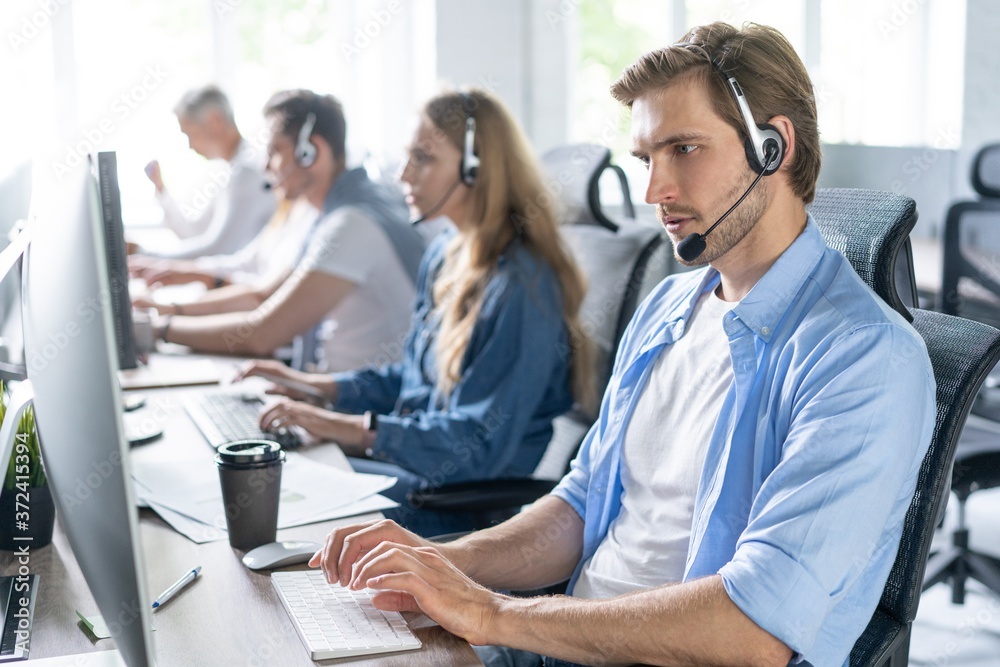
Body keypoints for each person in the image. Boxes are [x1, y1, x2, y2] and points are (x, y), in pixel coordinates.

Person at [305, 23, 937, 667]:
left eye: (684, 149)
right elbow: (579, 506)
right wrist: (437, 562)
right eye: (645, 159)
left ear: (773, 146)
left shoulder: (864, 359)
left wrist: (491, 612)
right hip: (554, 643)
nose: (653, 191)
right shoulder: (669, 306)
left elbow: (754, 629)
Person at [237, 88, 594, 537]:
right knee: (265, 472)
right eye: (407, 156)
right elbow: (410, 377)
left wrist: (346, 427)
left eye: (423, 158)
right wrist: (316, 387)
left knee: (274, 499)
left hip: (455, 503)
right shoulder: (445, 252)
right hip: (415, 472)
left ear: (475, 169)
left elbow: (476, 446)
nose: (404, 174)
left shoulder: (523, 286)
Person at [153, 89, 426, 372]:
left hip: (360, 404)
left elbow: (263, 333)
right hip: (329, 389)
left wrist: (158, 329)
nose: (265, 165)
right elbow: (266, 292)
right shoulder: (329, 213)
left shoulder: (352, 223)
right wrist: (169, 313)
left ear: (310, 152)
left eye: (275, 151)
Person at [135, 85, 276, 259]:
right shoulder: (230, 170)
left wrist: (141, 254)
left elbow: (218, 249)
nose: (190, 146)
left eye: (189, 134)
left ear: (214, 120)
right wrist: (160, 187)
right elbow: (194, 231)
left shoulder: (247, 171)